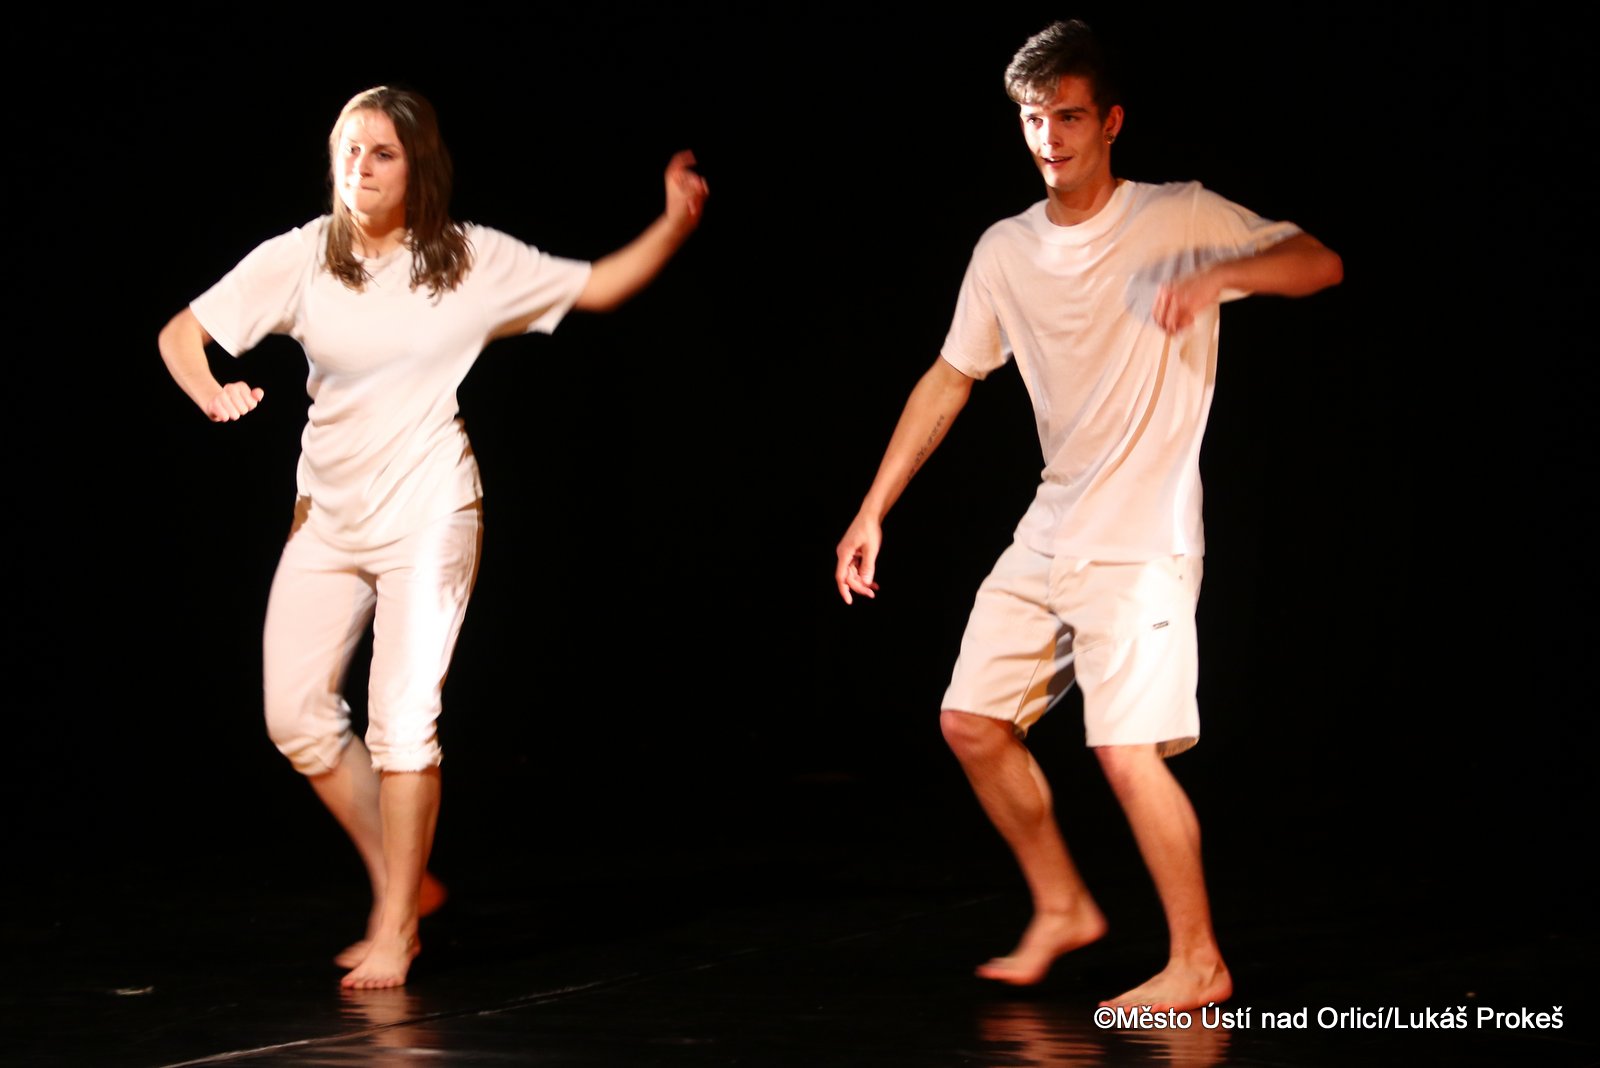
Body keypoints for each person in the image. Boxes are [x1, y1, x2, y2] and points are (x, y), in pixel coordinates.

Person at [833, 20, 1341, 1012]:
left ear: (1110, 122)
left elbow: (1318, 262)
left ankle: (1198, 960)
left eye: (1067, 116)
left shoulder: (1177, 214)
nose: (1049, 137)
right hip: (1053, 524)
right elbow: (950, 376)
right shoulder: (1005, 248)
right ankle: (1063, 904)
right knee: (971, 721)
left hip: (1143, 538)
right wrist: (872, 508)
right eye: (1033, 119)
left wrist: (1220, 274)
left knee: (1122, 751)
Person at [158, 85, 708, 989]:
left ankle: (396, 927)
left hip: (429, 512)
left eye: (382, 153)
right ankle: (405, 880)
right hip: (328, 516)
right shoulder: (303, 257)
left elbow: (599, 284)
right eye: (348, 149)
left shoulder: (466, 260)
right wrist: (212, 391)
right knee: (294, 716)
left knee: (401, 721)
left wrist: (673, 224)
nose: (360, 167)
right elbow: (183, 335)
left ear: (419, 168)